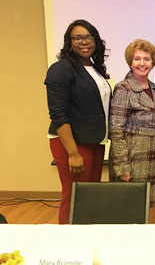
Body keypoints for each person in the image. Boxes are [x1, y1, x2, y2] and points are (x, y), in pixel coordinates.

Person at [44, 19, 111, 224]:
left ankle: (86, 243)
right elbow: (58, 114)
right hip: (72, 143)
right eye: (78, 37)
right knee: (74, 197)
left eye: (88, 37)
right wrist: (73, 153)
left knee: (90, 197)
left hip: (92, 141)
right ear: (69, 42)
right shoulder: (61, 69)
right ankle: (67, 247)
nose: (84, 42)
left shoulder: (93, 67)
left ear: (96, 41)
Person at [109, 39, 155, 207]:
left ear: (153, 62)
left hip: (152, 160)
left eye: (146, 59)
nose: (142, 63)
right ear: (130, 62)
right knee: (129, 207)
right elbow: (116, 130)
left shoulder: (154, 88)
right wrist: (122, 167)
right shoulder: (123, 88)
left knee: (144, 207)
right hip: (132, 161)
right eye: (137, 59)